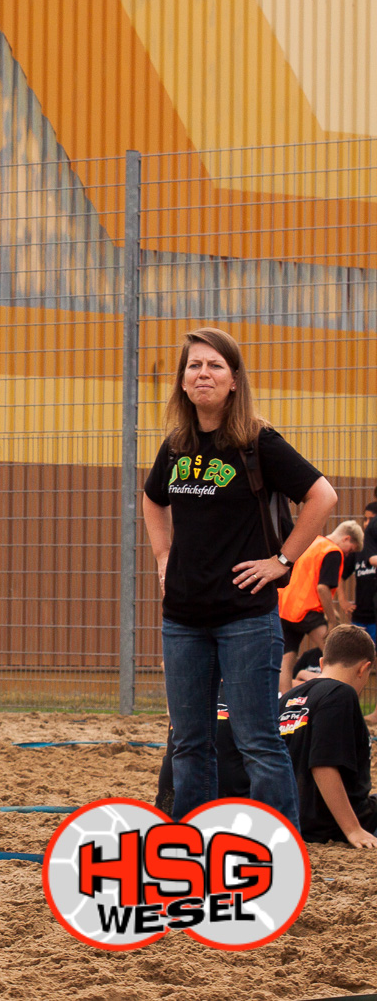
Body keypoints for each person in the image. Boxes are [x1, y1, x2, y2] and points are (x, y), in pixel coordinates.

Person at [142, 326, 337, 827]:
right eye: (194, 366)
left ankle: (278, 853)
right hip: (182, 619)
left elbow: (323, 497)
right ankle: (192, 850)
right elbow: (152, 498)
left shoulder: (258, 442)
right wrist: (163, 556)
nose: (202, 373)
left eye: (214, 366)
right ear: (183, 382)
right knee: (189, 743)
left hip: (246, 618)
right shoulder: (177, 445)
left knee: (258, 741)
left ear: (233, 381)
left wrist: (283, 562)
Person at [276, 624, 377, 846]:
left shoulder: (288, 698)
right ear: (363, 669)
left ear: (322, 663)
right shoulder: (341, 694)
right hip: (329, 824)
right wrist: (353, 830)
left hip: (293, 816)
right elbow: (323, 765)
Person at [278, 521, 364, 693]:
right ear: (346, 538)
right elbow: (322, 588)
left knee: (285, 661)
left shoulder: (313, 543)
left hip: (286, 608)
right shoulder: (332, 551)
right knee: (336, 657)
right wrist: (332, 619)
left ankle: (284, 706)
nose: (348, 554)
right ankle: (340, 699)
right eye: (351, 550)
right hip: (307, 610)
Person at [344, 501, 377, 643]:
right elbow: (340, 575)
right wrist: (343, 601)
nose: (366, 523)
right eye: (365, 519)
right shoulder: (359, 549)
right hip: (360, 616)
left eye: (371, 519)